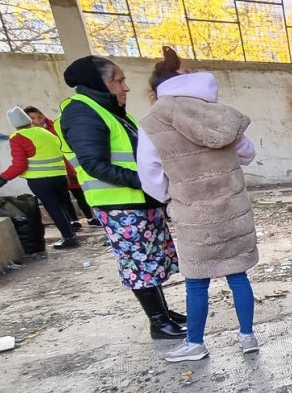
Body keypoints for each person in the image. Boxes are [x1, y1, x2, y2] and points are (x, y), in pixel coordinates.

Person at [137, 47, 260, 363]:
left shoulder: (152, 123)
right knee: (238, 276)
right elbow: (247, 153)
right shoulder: (220, 115)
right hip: (233, 213)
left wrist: (172, 197)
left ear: (156, 90)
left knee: (196, 284)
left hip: (194, 216)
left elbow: (150, 175)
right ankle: (247, 337)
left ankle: (195, 343)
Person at [55, 55, 186, 340]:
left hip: (139, 200)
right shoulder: (82, 113)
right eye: (118, 80)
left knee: (150, 259)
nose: (125, 87)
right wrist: (145, 181)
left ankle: (163, 313)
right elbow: (94, 164)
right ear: (98, 82)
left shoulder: (111, 111)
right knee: (138, 263)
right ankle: (157, 323)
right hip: (120, 204)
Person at [0, 107, 80, 249]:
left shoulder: (18, 137)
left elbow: (20, 164)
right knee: (62, 206)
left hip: (41, 180)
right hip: (61, 177)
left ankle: (69, 238)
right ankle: (71, 233)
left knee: (54, 208)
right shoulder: (45, 132)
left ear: (13, 124)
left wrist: (3, 178)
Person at [25, 105, 100, 228]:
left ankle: (91, 217)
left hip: (69, 165)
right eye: (33, 118)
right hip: (55, 170)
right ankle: (74, 221)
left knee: (80, 193)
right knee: (65, 197)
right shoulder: (29, 134)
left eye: (39, 117)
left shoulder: (54, 127)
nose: (38, 120)